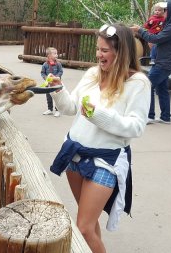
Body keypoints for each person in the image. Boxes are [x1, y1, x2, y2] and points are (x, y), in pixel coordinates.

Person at [47, 23, 151, 253]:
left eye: (104, 51)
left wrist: (99, 115)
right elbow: (71, 108)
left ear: (121, 52)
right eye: (97, 49)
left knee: (83, 228)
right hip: (74, 153)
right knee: (90, 223)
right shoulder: (93, 73)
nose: (98, 55)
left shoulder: (138, 84)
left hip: (106, 160)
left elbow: (136, 127)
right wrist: (58, 89)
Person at [131, 0, 171, 125]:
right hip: (164, 62)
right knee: (162, 89)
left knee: (147, 85)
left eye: (165, 10)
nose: (163, 12)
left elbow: (155, 38)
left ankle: (149, 115)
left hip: (163, 64)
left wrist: (140, 30)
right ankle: (166, 117)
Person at [41, 47, 63, 117]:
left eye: (56, 53)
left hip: (56, 84)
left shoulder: (58, 64)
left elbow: (61, 71)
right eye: (55, 53)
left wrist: (57, 77)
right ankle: (50, 109)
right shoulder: (45, 64)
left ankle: (57, 110)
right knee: (49, 96)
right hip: (48, 84)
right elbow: (42, 73)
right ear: (49, 56)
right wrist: (45, 78)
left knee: (57, 97)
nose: (57, 55)